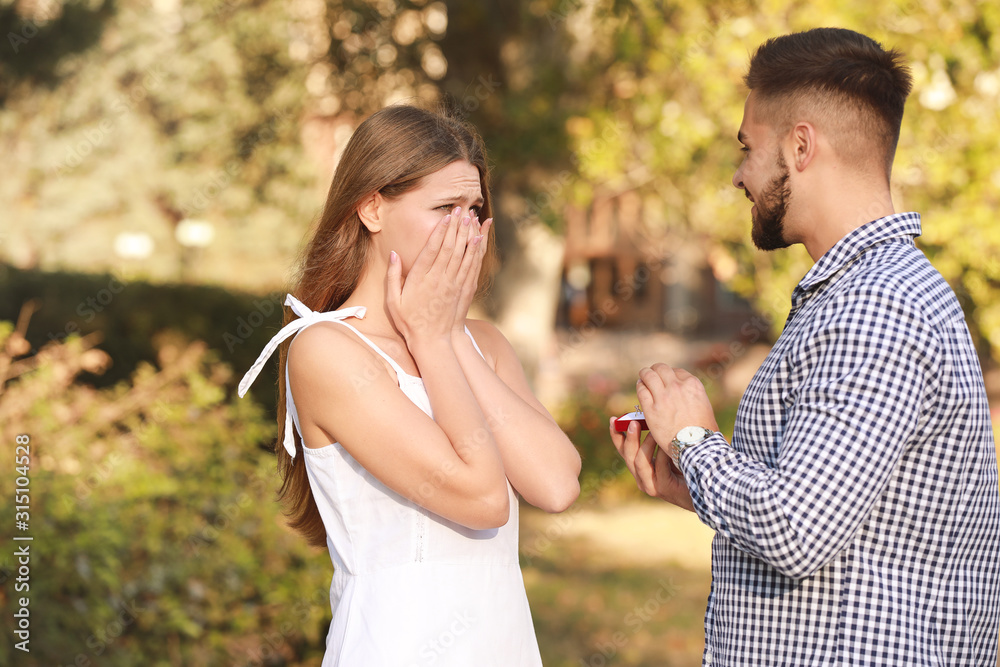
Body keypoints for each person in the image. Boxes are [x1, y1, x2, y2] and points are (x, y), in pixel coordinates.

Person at [611, 27, 1000, 666]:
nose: (739, 175)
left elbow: (796, 531)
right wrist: (694, 485)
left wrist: (692, 438)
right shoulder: (861, 294)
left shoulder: (877, 307)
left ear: (800, 145)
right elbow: (848, 525)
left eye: (747, 147)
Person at [239, 103, 581, 666]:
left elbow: (556, 486)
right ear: (372, 207)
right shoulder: (326, 350)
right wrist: (436, 340)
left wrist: (443, 336)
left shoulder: (483, 343)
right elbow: (484, 498)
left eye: (474, 208)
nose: (465, 227)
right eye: (444, 206)